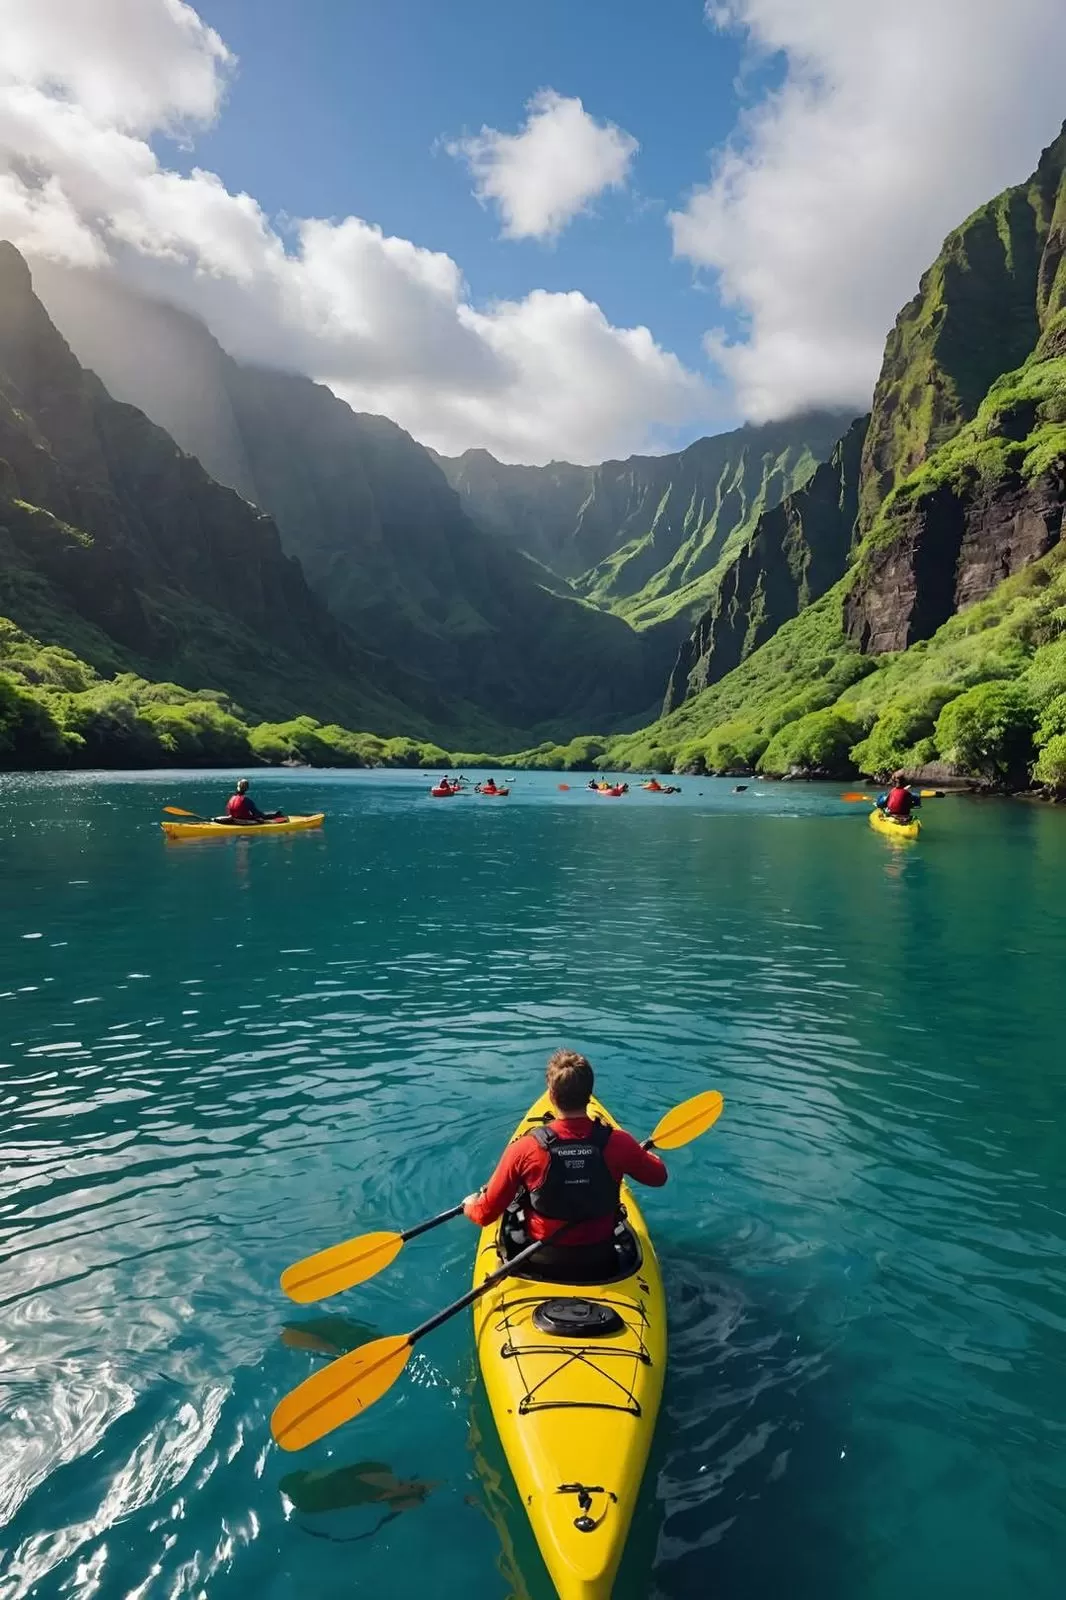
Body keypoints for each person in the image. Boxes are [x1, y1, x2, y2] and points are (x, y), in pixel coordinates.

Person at [462, 1049, 667, 1280]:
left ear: (551, 1095)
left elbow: (485, 1215)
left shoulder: (524, 1149)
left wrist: (470, 1205)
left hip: (542, 1258)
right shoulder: (619, 1143)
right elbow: (659, 1177)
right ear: (589, 1094)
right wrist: (639, 1155)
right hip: (601, 1258)